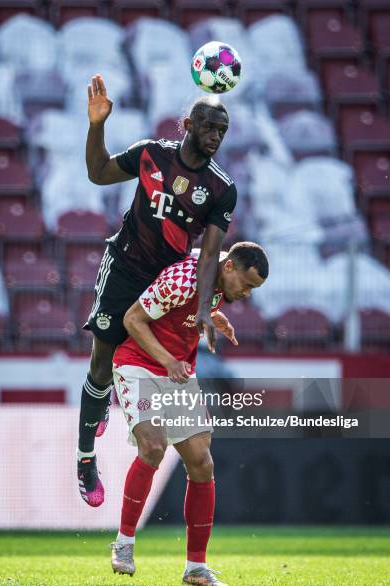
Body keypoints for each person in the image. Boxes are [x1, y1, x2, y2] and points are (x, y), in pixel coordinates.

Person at [78, 74, 238, 506]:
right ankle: (85, 458)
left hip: (164, 285)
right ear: (187, 124)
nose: (215, 137)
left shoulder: (221, 189)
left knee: (147, 365)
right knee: (100, 363)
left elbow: (208, 256)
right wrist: (97, 125)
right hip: (124, 268)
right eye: (209, 127)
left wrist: (204, 307)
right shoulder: (151, 154)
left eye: (222, 131)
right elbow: (97, 173)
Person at [110, 242, 269, 586]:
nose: (246, 293)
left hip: (178, 373)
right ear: (229, 268)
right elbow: (133, 319)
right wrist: (167, 361)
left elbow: (186, 302)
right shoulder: (184, 279)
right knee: (152, 448)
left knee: (202, 463)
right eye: (247, 284)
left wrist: (212, 316)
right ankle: (123, 545)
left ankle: (195, 569)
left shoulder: (216, 277)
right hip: (139, 366)